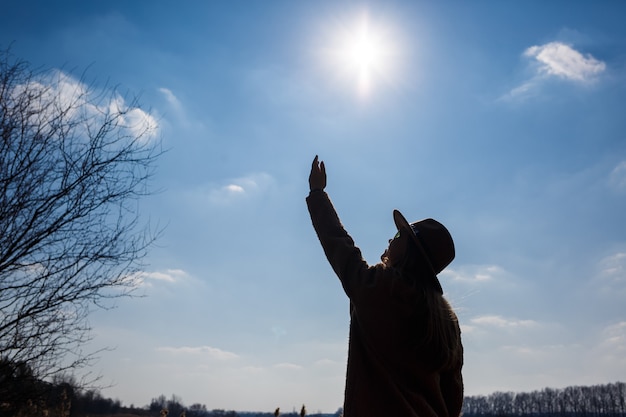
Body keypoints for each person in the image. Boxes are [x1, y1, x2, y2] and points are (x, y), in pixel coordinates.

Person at [306, 156, 463, 417]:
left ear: (411, 252)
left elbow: (341, 249)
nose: (392, 236)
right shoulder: (446, 320)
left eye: (401, 234)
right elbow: (453, 397)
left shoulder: (382, 290)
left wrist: (318, 193)